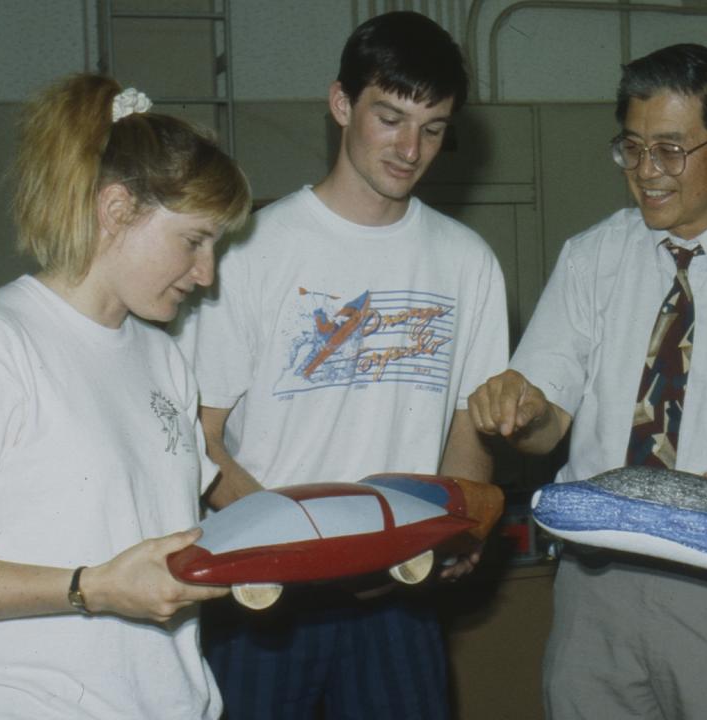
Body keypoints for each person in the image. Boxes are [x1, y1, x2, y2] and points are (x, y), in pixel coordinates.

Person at [0, 73, 251, 719]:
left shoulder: (163, 359)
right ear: (116, 210)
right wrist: (90, 589)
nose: (207, 276)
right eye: (193, 241)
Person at [468, 44, 707, 719]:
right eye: (632, 149)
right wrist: (521, 411)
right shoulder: (591, 258)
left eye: (670, 150)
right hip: (596, 596)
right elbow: (548, 423)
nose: (646, 173)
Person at [177, 10, 508, 720]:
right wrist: (306, 556)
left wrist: (458, 523)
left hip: (398, 598)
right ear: (340, 104)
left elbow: (467, 426)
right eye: (389, 117)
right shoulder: (250, 250)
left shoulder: (466, 261)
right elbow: (198, 440)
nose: (409, 147)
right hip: (265, 598)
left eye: (434, 127)